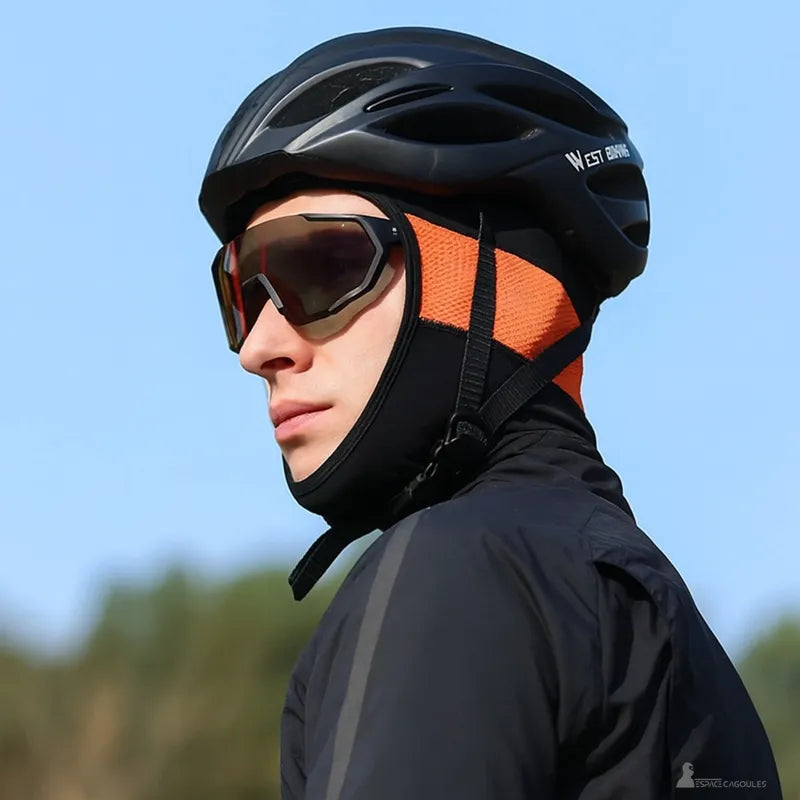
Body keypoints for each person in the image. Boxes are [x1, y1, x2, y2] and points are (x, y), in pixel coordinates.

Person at [199, 27, 783, 800]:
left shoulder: (459, 571)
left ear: (502, 287)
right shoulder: (649, 612)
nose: (260, 345)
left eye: (318, 266)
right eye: (242, 292)